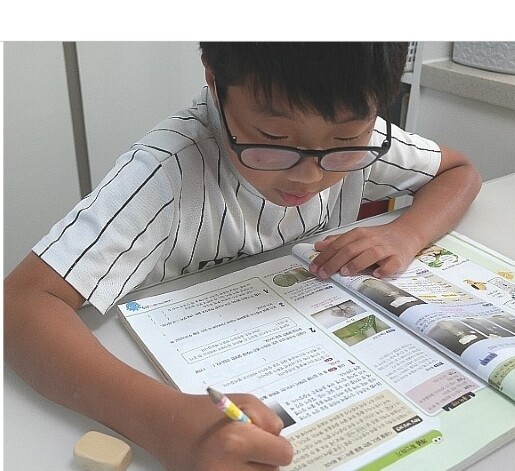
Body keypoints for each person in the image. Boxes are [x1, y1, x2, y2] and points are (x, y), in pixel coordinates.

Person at [4, 42, 481, 470]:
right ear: (214, 77)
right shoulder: (168, 171)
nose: (309, 177)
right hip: (171, 364)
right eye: (273, 139)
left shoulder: (367, 137)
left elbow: (459, 171)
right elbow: (20, 304)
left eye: (343, 144)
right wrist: (164, 422)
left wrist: (406, 233)